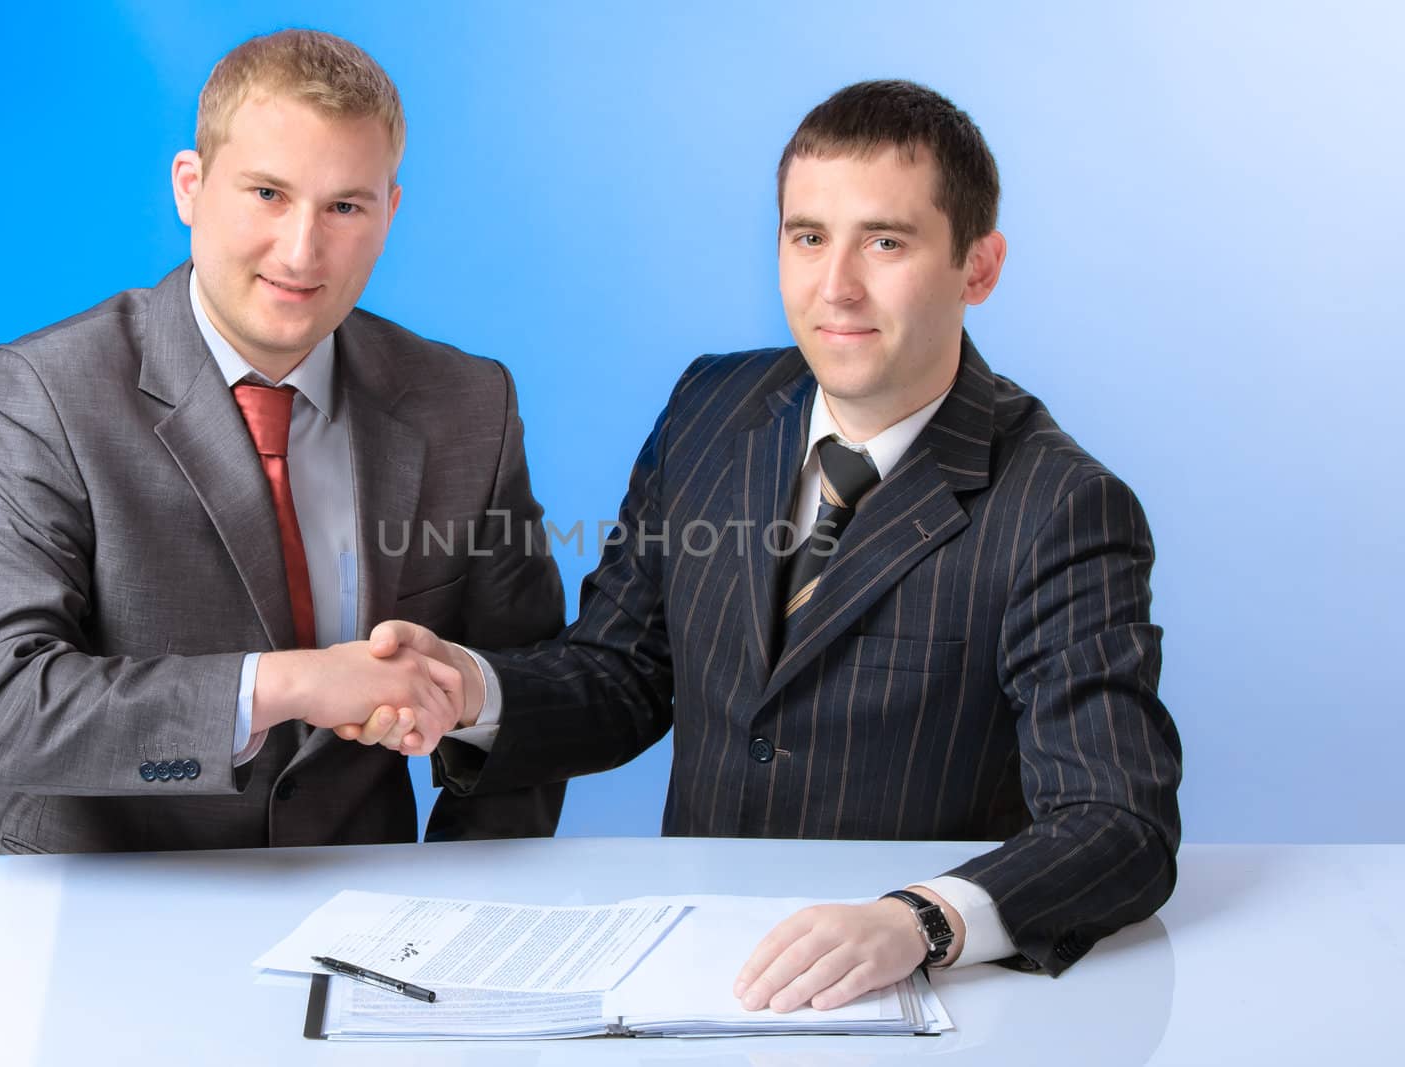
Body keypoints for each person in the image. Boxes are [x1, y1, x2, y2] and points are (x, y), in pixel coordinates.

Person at [349, 80, 1183, 1009]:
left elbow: (1119, 823)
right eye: (808, 236)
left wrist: (920, 921)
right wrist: (474, 691)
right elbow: (623, 676)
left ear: (978, 267)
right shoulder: (712, 408)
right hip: (698, 976)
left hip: (915, 1000)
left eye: (886, 241)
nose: (838, 286)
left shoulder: (1063, 505)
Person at [0, 29, 565, 854]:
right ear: (190, 186)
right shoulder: (43, 393)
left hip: (362, 912)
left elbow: (532, 690)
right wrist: (287, 685)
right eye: (267, 193)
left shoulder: (467, 402)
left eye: (344, 206)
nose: (302, 251)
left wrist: (463, 896)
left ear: (389, 211)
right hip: (96, 908)